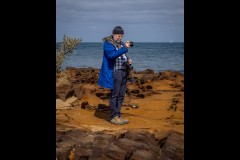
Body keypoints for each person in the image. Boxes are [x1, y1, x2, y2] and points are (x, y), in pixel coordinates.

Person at [98, 26, 133, 125]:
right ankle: (113, 116)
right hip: (115, 72)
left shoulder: (121, 43)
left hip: (124, 71)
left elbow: (122, 55)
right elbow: (111, 55)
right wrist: (125, 48)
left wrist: (128, 60)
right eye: (118, 36)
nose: (120, 38)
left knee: (121, 95)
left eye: (121, 36)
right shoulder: (108, 43)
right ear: (113, 34)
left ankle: (118, 115)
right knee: (115, 95)